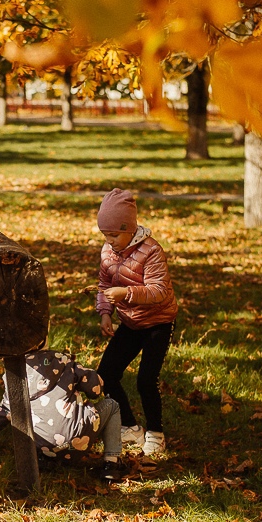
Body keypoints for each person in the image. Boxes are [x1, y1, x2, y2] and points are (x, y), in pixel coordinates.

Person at [95, 188, 178, 456]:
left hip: (157, 323)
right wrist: (106, 311)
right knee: (106, 374)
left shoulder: (151, 251)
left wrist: (126, 294)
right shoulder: (108, 251)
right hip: (130, 323)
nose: (109, 240)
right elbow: (104, 284)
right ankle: (130, 426)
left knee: (146, 379)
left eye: (114, 234)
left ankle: (155, 433)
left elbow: (159, 291)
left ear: (129, 228)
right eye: (105, 235)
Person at [0, 350, 127, 482]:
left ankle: (44, 458)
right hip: (80, 436)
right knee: (112, 405)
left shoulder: (14, 375)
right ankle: (111, 464)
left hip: (46, 445)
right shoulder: (62, 360)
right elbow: (96, 390)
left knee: (30, 418)